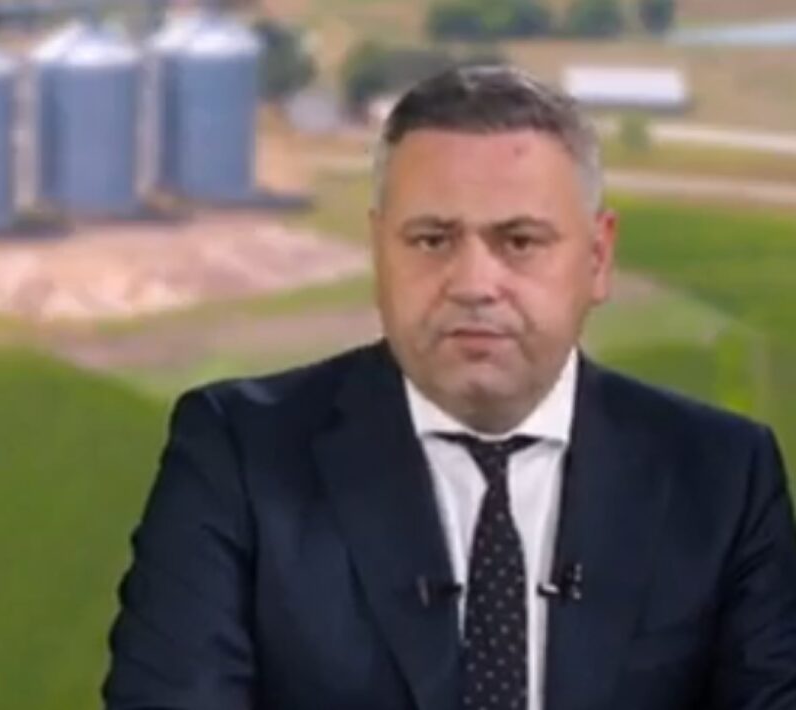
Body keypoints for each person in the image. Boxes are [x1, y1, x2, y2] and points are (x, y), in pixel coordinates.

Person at [101, 65, 796, 710]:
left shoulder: (723, 476)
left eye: (519, 241)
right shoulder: (238, 456)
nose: (473, 284)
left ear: (598, 256)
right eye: (432, 240)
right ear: (380, 251)